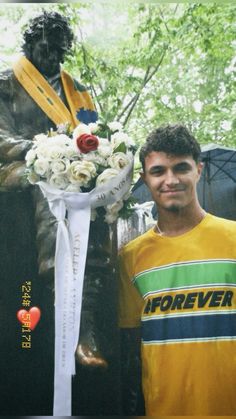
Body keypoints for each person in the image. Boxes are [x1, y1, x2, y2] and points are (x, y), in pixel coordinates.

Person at [0, 11, 118, 415]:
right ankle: (64, 317)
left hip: (70, 176)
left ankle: (86, 328)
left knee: (91, 194)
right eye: (43, 48)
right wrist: (42, 150)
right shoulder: (6, 84)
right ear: (30, 46)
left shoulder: (78, 91)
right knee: (50, 191)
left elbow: (94, 134)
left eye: (57, 50)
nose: (50, 56)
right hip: (19, 174)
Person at [118, 124, 236, 416]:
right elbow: (131, 346)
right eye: (158, 171)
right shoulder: (131, 257)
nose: (170, 180)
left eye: (180, 168)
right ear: (145, 178)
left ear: (198, 169)